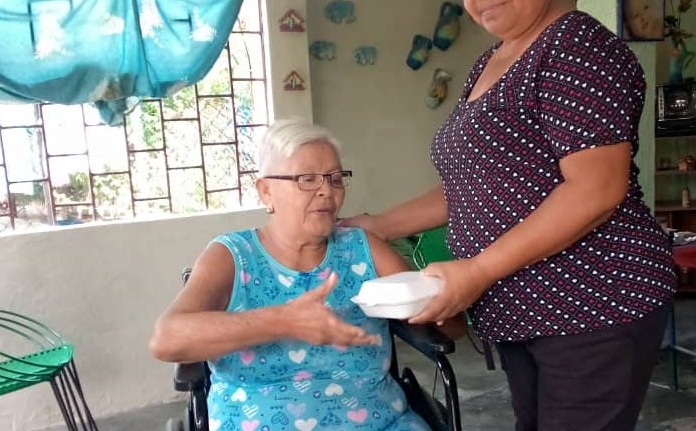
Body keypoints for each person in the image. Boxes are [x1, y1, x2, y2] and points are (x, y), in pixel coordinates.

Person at [345, 0, 677, 431]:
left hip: (592, 306)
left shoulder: (576, 49)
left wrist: (475, 271)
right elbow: (473, 188)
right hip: (526, 312)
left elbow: (596, 189)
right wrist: (376, 224)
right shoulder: (493, 60)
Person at [149, 118, 464, 431]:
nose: (327, 191)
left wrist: (437, 302)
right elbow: (166, 339)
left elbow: (452, 327)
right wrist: (284, 321)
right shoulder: (233, 256)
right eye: (307, 179)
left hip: (378, 420)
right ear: (266, 192)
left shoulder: (362, 247)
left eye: (335, 178)